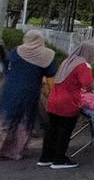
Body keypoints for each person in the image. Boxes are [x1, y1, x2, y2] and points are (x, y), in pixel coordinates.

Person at [39, 43, 94, 170]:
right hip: (68, 102)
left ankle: (46, 157)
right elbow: (88, 82)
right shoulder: (83, 65)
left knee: (52, 130)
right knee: (64, 131)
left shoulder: (68, 61)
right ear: (89, 53)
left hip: (54, 99)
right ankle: (59, 159)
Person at [0, 30, 59, 160]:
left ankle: (2, 148)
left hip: (10, 88)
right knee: (24, 120)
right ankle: (15, 151)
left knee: (6, 118)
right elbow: (51, 74)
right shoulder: (47, 55)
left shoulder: (17, 50)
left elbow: (7, 66)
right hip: (30, 91)